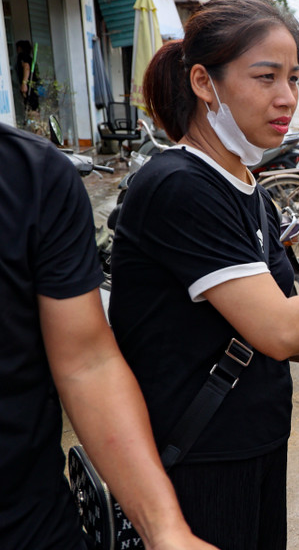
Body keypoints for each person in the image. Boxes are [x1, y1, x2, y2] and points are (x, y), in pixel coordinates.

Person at [108, 0, 299, 549]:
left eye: (293, 78)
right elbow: (278, 329)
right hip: (197, 457)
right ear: (204, 82)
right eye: (266, 77)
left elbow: (273, 320)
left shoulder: (249, 188)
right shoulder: (181, 187)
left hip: (254, 442)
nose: (287, 97)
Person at [0, 123, 214, 549]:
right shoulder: (172, 183)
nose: (285, 100)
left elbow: (87, 362)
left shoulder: (32, 175)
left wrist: (165, 529)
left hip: (32, 526)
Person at [15, 39, 40, 112]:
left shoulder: (22, 56)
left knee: (30, 106)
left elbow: (26, 67)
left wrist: (24, 83)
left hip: (29, 86)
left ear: (20, 48)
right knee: (32, 106)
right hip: (32, 86)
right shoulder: (29, 58)